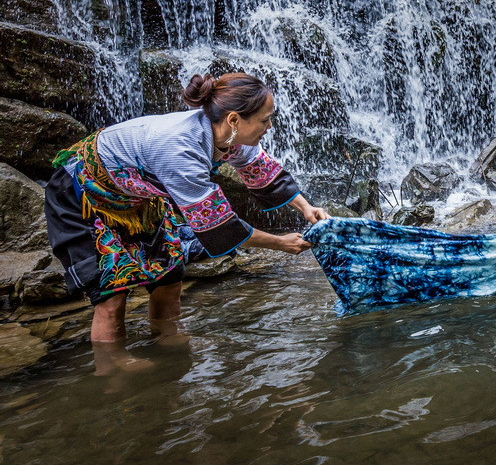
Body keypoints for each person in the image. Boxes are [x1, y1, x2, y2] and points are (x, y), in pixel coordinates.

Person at [44, 72, 330, 368]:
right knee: (111, 291)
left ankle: (168, 338)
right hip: (81, 194)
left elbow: (264, 172)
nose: (269, 127)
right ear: (234, 119)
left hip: (138, 198)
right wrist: (280, 243)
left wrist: (306, 208)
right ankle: (113, 364)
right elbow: (218, 225)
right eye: (264, 120)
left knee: (169, 276)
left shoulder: (232, 137)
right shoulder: (180, 149)